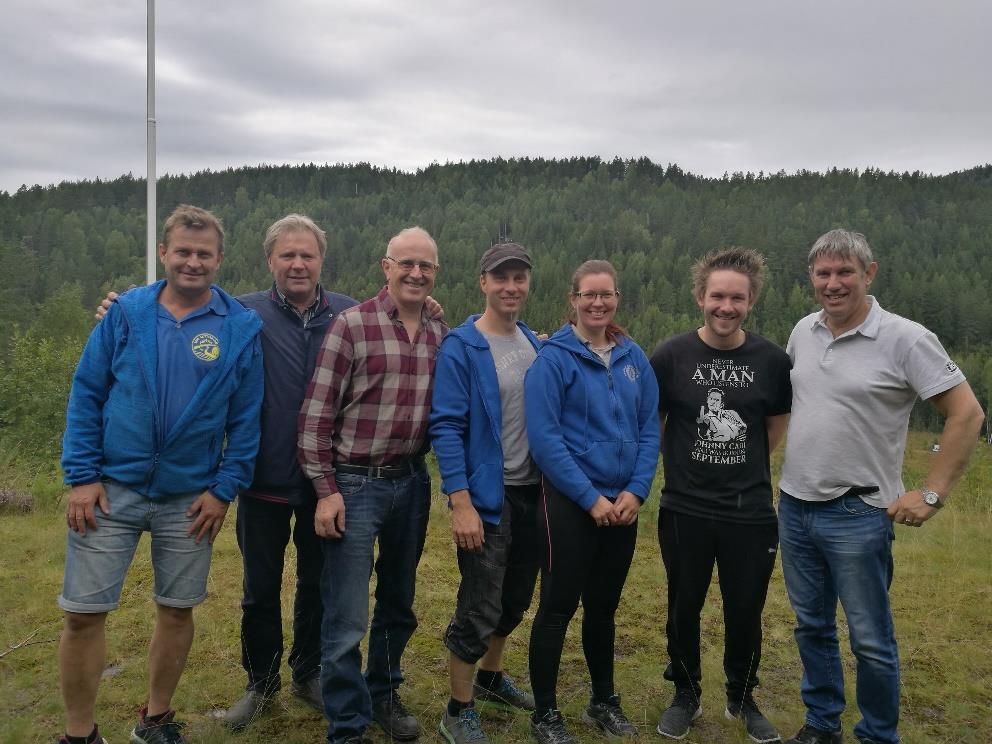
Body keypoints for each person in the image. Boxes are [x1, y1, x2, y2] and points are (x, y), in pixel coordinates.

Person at [58, 205, 264, 744]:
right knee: (82, 615)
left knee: (176, 612)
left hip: (189, 501)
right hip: (109, 491)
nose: (193, 262)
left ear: (220, 259)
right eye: (183, 252)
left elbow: (246, 422)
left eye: (204, 254)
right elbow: (87, 393)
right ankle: (80, 734)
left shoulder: (240, 330)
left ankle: (155, 720)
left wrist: (223, 490)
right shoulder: (126, 314)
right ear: (164, 254)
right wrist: (81, 477)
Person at [777, 229, 984, 744]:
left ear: (869, 273)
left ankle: (876, 735)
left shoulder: (906, 338)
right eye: (823, 273)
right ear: (811, 278)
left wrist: (931, 493)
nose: (833, 283)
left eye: (845, 272)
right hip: (795, 506)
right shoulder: (803, 330)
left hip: (859, 513)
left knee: (870, 639)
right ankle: (822, 724)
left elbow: (967, 413)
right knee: (812, 627)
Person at [298, 226, 447, 744]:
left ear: (436, 273)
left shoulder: (436, 327)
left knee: (399, 601)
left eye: (425, 266)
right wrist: (326, 490)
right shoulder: (351, 326)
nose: (415, 273)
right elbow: (315, 417)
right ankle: (347, 723)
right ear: (386, 266)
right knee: (346, 613)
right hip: (355, 484)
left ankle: (383, 691)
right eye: (405, 263)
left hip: (412, 481)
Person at [218, 214, 358, 728]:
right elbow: (177, 310)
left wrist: (431, 306)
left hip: (328, 484)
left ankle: (309, 672)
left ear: (322, 260)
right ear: (269, 260)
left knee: (318, 584)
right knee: (260, 588)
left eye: (308, 255)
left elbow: (403, 322)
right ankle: (261, 682)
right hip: (262, 479)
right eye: (287, 255)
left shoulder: (349, 313)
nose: (298, 264)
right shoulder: (242, 312)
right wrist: (120, 306)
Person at [649, 247, 791, 743]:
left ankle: (742, 695)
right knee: (683, 605)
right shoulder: (671, 356)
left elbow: (773, 428)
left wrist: (741, 464)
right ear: (700, 297)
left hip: (749, 511)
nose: (725, 307)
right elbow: (659, 423)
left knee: (745, 607)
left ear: (750, 301)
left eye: (737, 298)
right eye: (717, 296)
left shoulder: (772, 361)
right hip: (684, 507)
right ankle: (685, 695)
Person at [523, 259, 660, 743]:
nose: (598, 303)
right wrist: (589, 499)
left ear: (617, 298)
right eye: (589, 295)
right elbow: (545, 440)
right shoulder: (553, 360)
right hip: (568, 506)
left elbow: (648, 428)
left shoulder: (632, 357)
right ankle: (545, 713)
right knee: (557, 607)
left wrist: (637, 491)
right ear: (573, 300)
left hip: (623, 505)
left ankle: (603, 700)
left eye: (606, 294)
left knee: (603, 608)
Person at [430, 243, 542, 744]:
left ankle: (493, 679)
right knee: (479, 604)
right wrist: (461, 502)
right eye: (501, 278)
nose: (511, 287)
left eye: (519, 278)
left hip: (532, 494)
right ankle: (459, 707)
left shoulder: (535, 344)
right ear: (483, 283)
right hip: (485, 500)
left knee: (515, 599)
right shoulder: (462, 346)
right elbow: (447, 426)